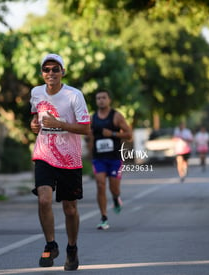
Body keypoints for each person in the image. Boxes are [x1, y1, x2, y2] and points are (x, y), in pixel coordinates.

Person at [30, 53, 91, 271]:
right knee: (44, 200)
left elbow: (85, 128)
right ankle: (51, 244)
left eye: (55, 69)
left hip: (69, 158)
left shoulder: (74, 95)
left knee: (70, 208)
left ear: (63, 72)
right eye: (46, 69)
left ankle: (72, 248)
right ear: (42, 73)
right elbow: (35, 116)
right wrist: (34, 125)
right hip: (44, 153)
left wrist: (59, 123)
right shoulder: (36, 93)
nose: (51, 73)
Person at [88, 89, 132, 230]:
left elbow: (129, 134)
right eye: (98, 98)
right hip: (99, 158)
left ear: (109, 100)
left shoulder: (116, 116)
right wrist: (90, 150)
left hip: (114, 158)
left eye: (103, 97)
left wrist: (112, 133)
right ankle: (104, 217)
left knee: (114, 188)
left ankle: (115, 198)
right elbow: (89, 137)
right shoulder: (92, 118)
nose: (101, 100)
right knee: (100, 185)